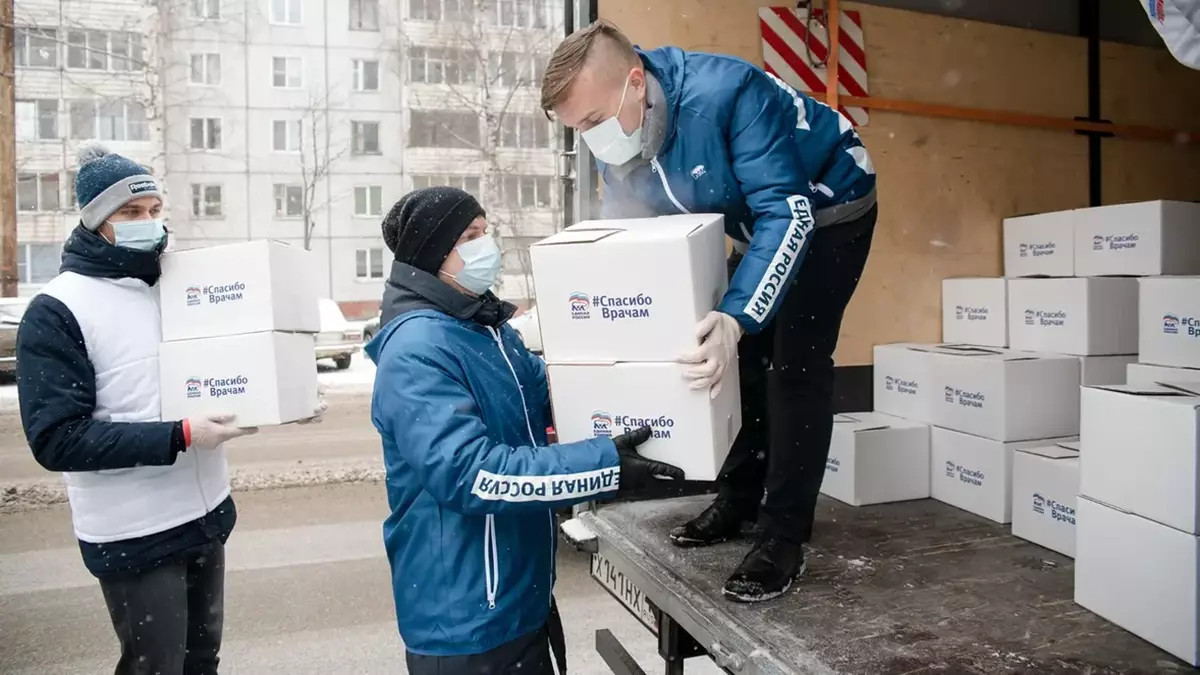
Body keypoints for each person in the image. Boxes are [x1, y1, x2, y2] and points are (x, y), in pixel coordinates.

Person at [541, 21, 878, 603]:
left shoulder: (728, 93)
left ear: (636, 82)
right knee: (731, 360)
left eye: (592, 121)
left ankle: (783, 537)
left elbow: (788, 215)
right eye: (577, 131)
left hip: (826, 207)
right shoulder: (616, 134)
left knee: (792, 363)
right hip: (753, 219)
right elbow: (635, 235)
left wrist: (736, 317)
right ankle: (741, 497)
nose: (591, 140)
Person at [15, 143, 316, 675]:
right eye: (130, 213)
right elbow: (57, 439)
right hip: (134, 532)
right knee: (156, 667)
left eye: (154, 210)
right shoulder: (59, 308)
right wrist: (179, 434)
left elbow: (221, 366)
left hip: (203, 515)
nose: (147, 223)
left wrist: (283, 394)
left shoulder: (176, 285)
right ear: (94, 221)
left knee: (201, 662)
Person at [366, 186, 684, 674]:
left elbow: (554, 395)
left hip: (517, 596)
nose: (486, 246)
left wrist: (650, 372)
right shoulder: (417, 349)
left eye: (485, 231)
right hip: (466, 619)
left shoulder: (487, 329)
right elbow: (472, 475)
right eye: (470, 236)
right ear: (434, 253)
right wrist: (605, 467)